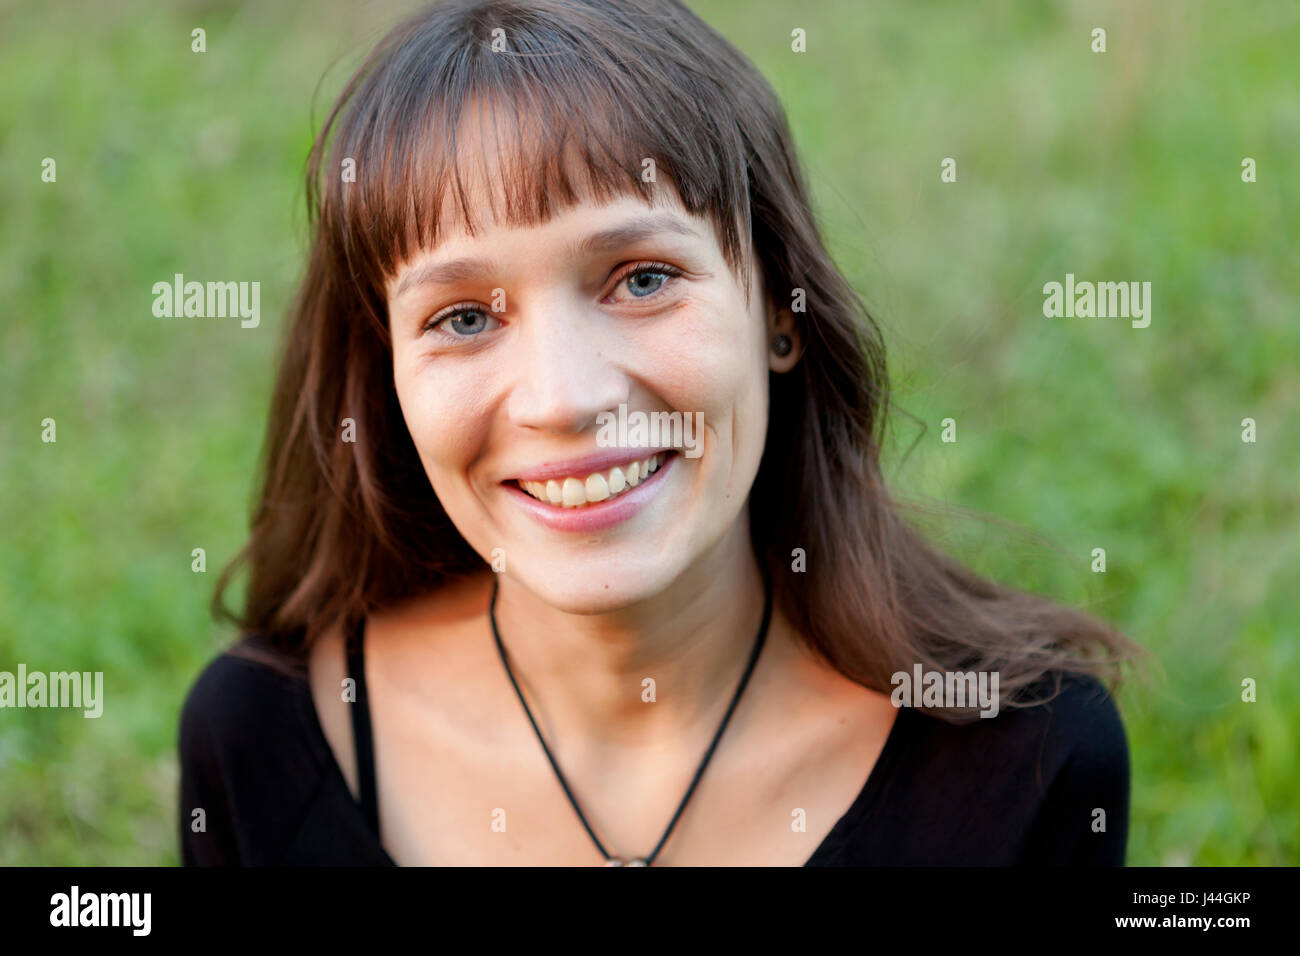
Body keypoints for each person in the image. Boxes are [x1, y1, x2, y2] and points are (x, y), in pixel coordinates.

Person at [179, 0, 1140, 867]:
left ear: (781, 311)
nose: (560, 399)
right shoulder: (263, 743)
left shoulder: (1022, 762)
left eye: (641, 278)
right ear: (386, 376)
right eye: (463, 318)